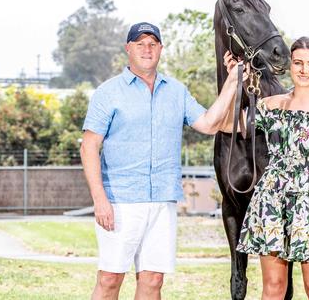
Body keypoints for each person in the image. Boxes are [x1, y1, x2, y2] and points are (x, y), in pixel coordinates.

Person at [80, 22, 243, 300]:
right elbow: (89, 147)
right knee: (109, 279)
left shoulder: (176, 91)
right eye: (140, 43)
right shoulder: (108, 93)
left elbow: (208, 123)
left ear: (160, 49)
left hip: (162, 200)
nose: (147, 49)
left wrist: (232, 81)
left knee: (153, 280)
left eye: (152, 43)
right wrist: (100, 200)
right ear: (128, 49)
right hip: (120, 201)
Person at [236, 37, 309, 300]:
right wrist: (235, 80)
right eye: (298, 63)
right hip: (273, 199)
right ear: (290, 65)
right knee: (273, 286)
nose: (303, 70)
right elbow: (230, 124)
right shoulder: (271, 105)